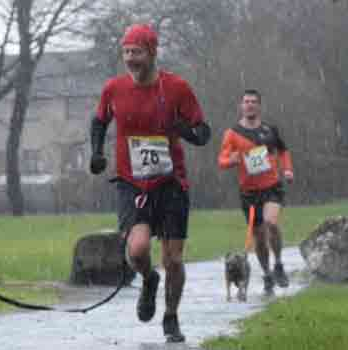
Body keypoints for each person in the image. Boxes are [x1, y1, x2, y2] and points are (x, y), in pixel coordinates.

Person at [88, 23, 211, 343]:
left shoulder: (177, 88)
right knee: (138, 250)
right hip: (132, 182)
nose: (130, 58)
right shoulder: (114, 88)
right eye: (126, 52)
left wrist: (180, 128)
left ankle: (171, 317)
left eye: (137, 52)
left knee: (173, 258)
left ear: (152, 53)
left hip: (171, 182)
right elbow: (99, 121)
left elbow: (202, 133)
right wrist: (97, 152)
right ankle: (148, 279)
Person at [218, 89, 293, 294]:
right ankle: (267, 274)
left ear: (259, 106)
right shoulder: (232, 134)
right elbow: (222, 159)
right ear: (241, 106)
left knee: (271, 223)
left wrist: (287, 169)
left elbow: (283, 151)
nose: (249, 105)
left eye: (253, 101)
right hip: (249, 193)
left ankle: (278, 264)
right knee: (259, 238)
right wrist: (230, 160)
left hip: (271, 187)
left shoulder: (270, 130)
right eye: (246, 101)